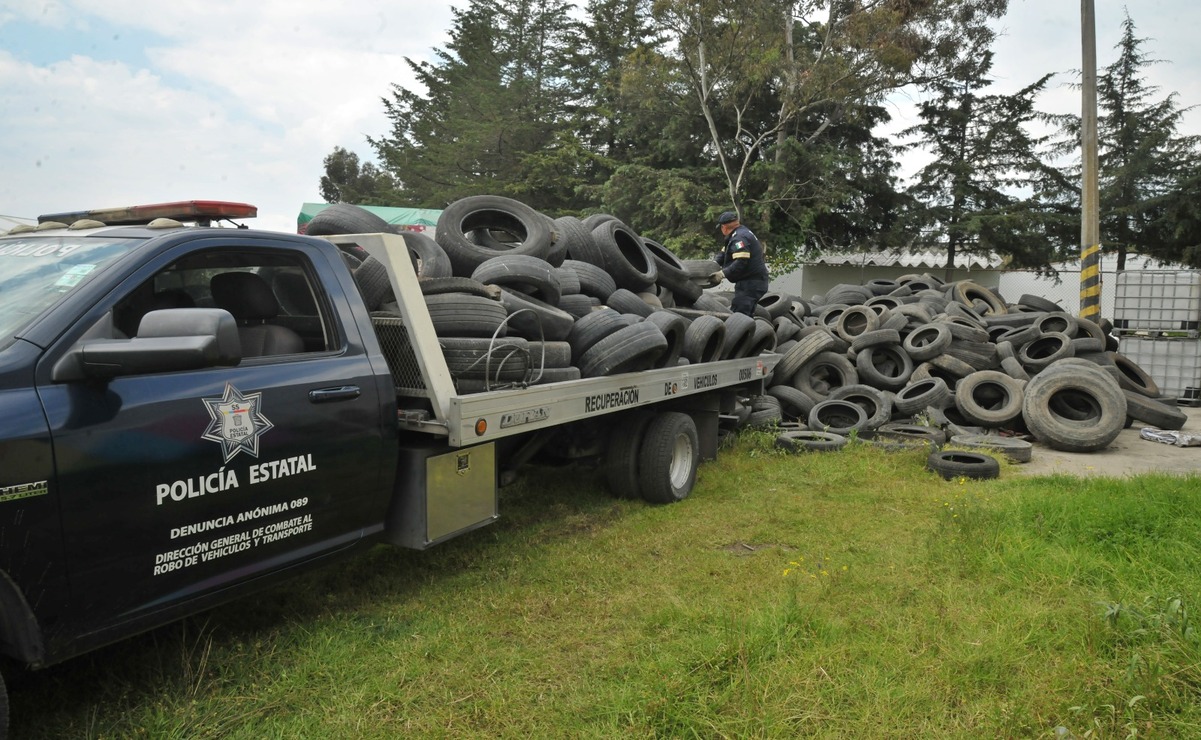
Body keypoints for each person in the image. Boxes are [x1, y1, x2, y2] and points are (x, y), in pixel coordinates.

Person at [710, 210, 769, 316]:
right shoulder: (738, 234)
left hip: (751, 283)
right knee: (744, 315)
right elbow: (724, 253)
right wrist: (712, 264)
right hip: (752, 282)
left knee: (740, 315)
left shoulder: (739, 238)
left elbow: (741, 261)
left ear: (724, 227)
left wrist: (722, 274)